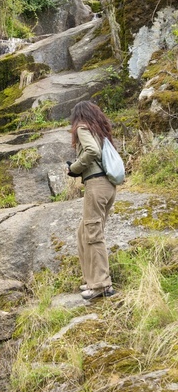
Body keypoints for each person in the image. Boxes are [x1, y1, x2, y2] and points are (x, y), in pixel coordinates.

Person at [66, 100, 116, 301]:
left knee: (93, 234)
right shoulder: (99, 130)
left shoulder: (83, 127)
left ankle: (101, 285)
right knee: (83, 231)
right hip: (108, 186)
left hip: (96, 185)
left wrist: (74, 168)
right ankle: (91, 278)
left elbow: (92, 152)